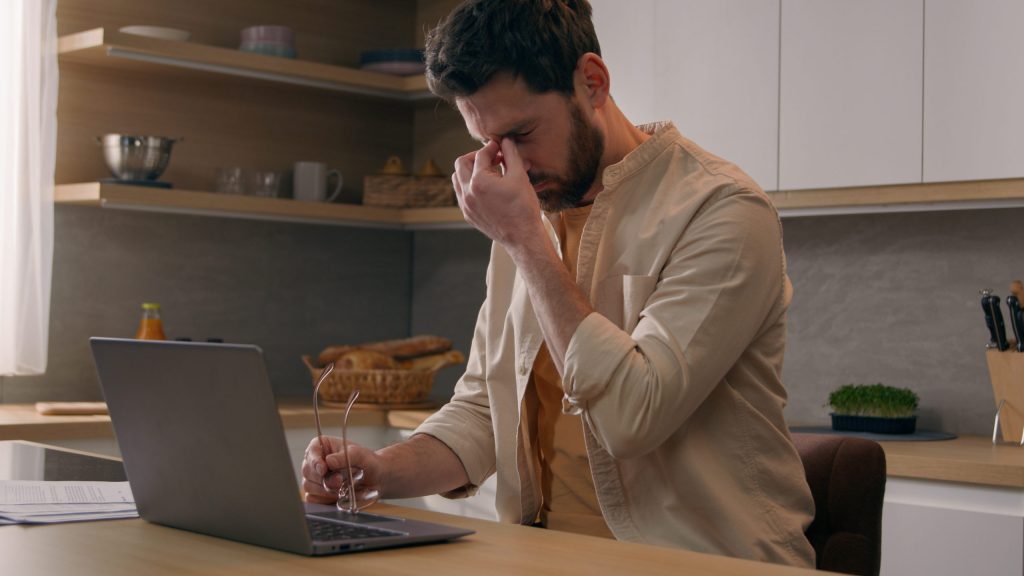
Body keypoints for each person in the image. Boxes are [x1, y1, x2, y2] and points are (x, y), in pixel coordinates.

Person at [303, 0, 815, 567]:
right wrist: (380, 470)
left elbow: (633, 418)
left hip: (702, 561)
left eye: (522, 133)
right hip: (545, 555)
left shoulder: (721, 209)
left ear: (592, 82)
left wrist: (525, 240)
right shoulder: (529, 212)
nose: (509, 165)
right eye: (490, 143)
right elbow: (483, 407)